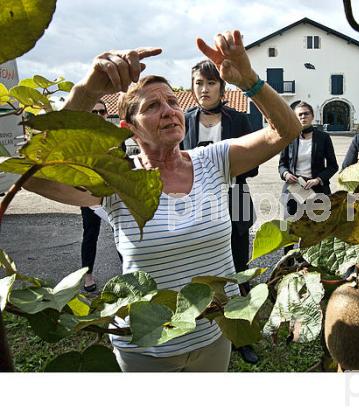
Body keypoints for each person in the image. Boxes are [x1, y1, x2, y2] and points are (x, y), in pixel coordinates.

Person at [22, 30, 301, 372]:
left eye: (172, 102)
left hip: (213, 336)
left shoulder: (212, 160)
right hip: (146, 348)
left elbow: (284, 130)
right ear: (129, 128)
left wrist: (249, 80)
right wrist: (89, 89)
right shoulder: (120, 180)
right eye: (153, 106)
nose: (169, 111)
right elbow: (33, 173)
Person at [182, 59, 259, 364]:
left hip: (236, 197)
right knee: (199, 270)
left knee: (239, 269)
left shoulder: (239, 119)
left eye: (210, 83)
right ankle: (201, 329)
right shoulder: (184, 119)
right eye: (199, 83)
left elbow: (252, 166)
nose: (204, 89)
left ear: (222, 87)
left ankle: (242, 338)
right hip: (194, 204)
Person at [278, 101, 338, 224]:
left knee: (317, 230)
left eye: (306, 114)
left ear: (312, 116)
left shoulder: (323, 138)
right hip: (294, 188)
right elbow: (282, 164)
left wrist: (318, 179)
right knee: (289, 228)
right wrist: (286, 174)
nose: (303, 117)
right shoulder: (289, 137)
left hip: (317, 189)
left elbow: (333, 166)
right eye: (299, 115)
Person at [80, 100, 109, 292]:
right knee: (91, 233)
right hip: (89, 194)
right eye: (94, 112)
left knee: (123, 233)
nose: (98, 115)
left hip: (112, 193)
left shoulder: (114, 138)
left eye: (102, 112)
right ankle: (87, 275)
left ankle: (130, 272)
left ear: (106, 114)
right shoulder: (81, 140)